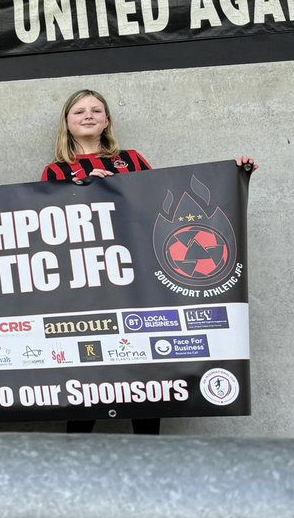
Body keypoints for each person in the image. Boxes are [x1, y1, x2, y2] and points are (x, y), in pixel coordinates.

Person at [41, 89, 258, 434]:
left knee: (145, 368)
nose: (88, 115)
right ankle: (75, 464)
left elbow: (161, 203)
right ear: (67, 123)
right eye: (79, 110)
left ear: (107, 120)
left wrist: (230, 174)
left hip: (139, 281)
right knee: (91, 376)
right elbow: (50, 226)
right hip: (92, 287)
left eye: (97, 110)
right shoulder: (54, 171)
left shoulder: (131, 160)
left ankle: (148, 460)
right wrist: (83, 191)